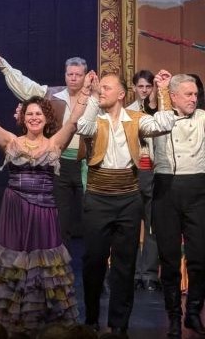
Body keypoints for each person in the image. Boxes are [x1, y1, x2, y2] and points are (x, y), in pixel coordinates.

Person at [0, 77, 84, 333]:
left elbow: (73, 122)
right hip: (16, 208)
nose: (34, 117)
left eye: (38, 113)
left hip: (44, 210)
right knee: (16, 263)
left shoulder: (55, 143)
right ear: (22, 118)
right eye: (29, 114)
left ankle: (48, 323)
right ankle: (14, 322)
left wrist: (84, 93)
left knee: (45, 263)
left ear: (46, 118)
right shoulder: (11, 141)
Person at [76, 71, 176, 335]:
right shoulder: (95, 119)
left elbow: (165, 123)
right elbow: (83, 128)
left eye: (107, 88)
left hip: (128, 198)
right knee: (94, 260)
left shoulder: (136, 119)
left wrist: (163, 90)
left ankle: (119, 324)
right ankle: (91, 318)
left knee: (125, 264)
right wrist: (92, 95)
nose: (102, 90)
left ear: (121, 94)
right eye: (101, 87)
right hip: (98, 197)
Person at [0, 51, 88, 242]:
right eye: (70, 74)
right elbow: (24, 85)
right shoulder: (52, 94)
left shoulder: (94, 99)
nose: (73, 78)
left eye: (78, 74)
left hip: (87, 163)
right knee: (60, 218)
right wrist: (3, 65)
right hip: (59, 162)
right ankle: (57, 255)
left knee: (90, 215)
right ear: (65, 75)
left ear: (85, 76)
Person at [151, 74, 205, 339]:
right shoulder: (159, 118)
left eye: (195, 94)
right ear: (173, 96)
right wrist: (159, 89)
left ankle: (194, 310)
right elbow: (148, 109)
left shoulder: (203, 118)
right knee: (169, 259)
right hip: (166, 190)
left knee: (200, 257)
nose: (194, 99)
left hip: (198, 190)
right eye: (188, 94)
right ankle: (174, 316)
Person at [127, 69, 160, 292]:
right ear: (134, 88)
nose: (144, 90)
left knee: (152, 226)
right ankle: (132, 273)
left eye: (148, 86)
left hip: (155, 172)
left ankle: (149, 274)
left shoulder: (160, 111)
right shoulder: (128, 112)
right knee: (130, 225)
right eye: (141, 86)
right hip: (134, 172)